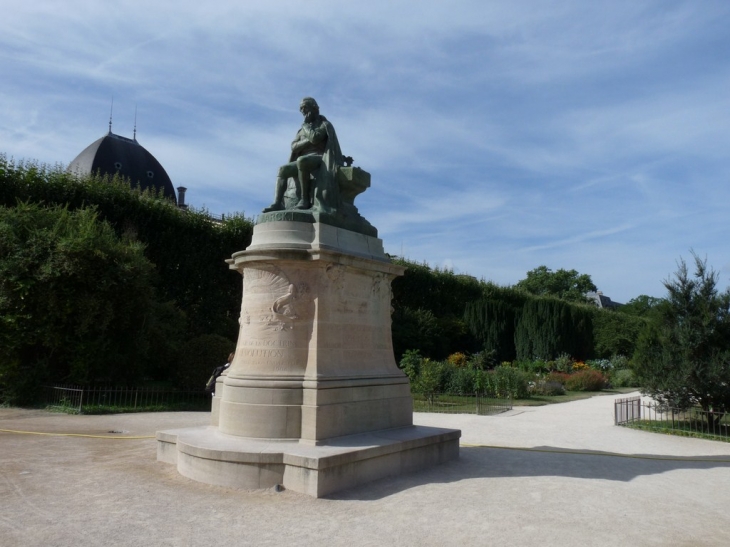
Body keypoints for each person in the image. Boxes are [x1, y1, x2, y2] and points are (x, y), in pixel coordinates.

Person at [263, 97, 344, 213]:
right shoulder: (301, 131)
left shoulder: (324, 124)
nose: (303, 111)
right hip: (304, 158)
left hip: (321, 158)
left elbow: (315, 138)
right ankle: (277, 203)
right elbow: (294, 146)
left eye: (305, 107)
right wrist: (307, 141)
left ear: (314, 107)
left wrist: (306, 127)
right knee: (282, 169)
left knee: (302, 160)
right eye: (301, 109)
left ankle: (305, 200)